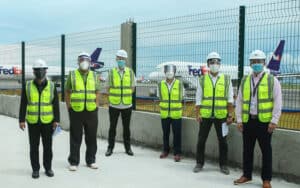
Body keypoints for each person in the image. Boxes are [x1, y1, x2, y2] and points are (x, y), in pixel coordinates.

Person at [234, 50, 282, 188]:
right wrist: (239, 120)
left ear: (264, 63)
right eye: (254, 62)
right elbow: (240, 101)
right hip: (248, 121)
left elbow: (278, 102)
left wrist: (274, 120)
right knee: (247, 150)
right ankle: (246, 175)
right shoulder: (245, 80)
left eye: (259, 62)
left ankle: (266, 180)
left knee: (266, 151)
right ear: (250, 64)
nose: (256, 64)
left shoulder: (272, 80)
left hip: (264, 122)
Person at [193, 52, 234, 175]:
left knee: (223, 141)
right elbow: (198, 98)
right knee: (201, 140)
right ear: (208, 64)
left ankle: (224, 165)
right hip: (205, 115)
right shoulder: (202, 79)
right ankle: (199, 163)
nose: (214, 64)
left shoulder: (226, 79)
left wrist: (230, 115)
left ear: (220, 64)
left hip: (221, 116)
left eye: (217, 62)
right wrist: (198, 113)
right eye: (211, 62)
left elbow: (230, 98)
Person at [19, 59, 60, 179]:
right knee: (34, 147)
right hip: (32, 122)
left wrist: (56, 120)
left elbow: (56, 104)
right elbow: (23, 103)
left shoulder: (52, 86)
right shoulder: (27, 86)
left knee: (48, 147)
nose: (40, 72)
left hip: (48, 122)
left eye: (42, 70)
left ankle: (48, 168)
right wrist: (21, 120)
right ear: (33, 71)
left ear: (46, 71)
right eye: (37, 70)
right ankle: (35, 169)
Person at [65, 52, 100, 171]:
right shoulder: (72, 74)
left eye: (86, 60)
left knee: (91, 137)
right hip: (76, 111)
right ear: (78, 62)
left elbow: (97, 91)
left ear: (90, 62)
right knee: (75, 137)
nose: (84, 62)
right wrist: (69, 107)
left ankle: (91, 160)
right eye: (81, 59)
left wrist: (97, 105)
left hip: (91, 111)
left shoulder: (95, 75)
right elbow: (67, 91)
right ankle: (74, 161)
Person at [105, 49, 136, 156]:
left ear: (125, 59)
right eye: (119, 58)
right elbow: (107, 87)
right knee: (112, 127)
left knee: (126, 128)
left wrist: (125, 97)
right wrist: (115, 97)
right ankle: (110, 148)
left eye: (123, 58)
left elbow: (133, 87)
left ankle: (128, 148)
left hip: (127, 105)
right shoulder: (111, 72)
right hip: (114, 105)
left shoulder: (130, 72)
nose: (121, 60)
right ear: (116, 59)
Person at [158, 64, 184, 162]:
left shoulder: (179, 84)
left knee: (177, 134)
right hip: (165, 113)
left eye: (171, 71)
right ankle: (165, 150)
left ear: (174, 72)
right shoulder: (160, 84)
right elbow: (159, 97)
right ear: (164, 72)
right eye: (167, 71)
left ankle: (177, 153)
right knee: (165, 133)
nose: (169, 73)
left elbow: (182, 97)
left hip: (176, 114)